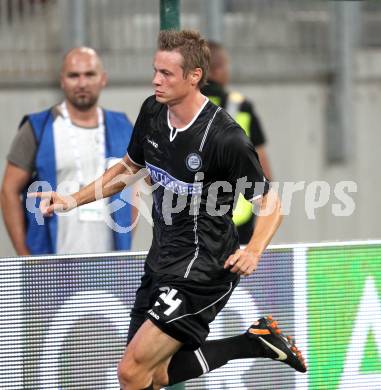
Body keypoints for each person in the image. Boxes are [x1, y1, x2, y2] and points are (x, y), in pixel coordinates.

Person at [30, 30, 306, 390]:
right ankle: (254, 341)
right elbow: (129, 168)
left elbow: (271, 203)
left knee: (131, 373)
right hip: (161, 259)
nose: (156, 80)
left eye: (166, 74)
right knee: (156, 374)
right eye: (155, 71)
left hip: (203, 269)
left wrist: (253, 250)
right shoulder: (152, 111)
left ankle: (254, 341)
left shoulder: (225, 138)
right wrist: (71, 199)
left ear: (194, 77)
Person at [0, 47, 135, 255]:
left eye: (89, 74)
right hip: (50, 261)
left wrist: (125, 245)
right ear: (62, 80)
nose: (82, 83)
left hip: (110, 262)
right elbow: (8, 191)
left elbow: (133, 189)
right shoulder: (37, 127)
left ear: (103, 79)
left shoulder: (124, 126)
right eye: (74, 75)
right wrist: (25, 257)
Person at [202, 41, 272, 245]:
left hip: (191, 217)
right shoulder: (241, 106)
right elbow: (263, 167)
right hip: (239, 216)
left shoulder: (184, 105)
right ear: (219, 68)